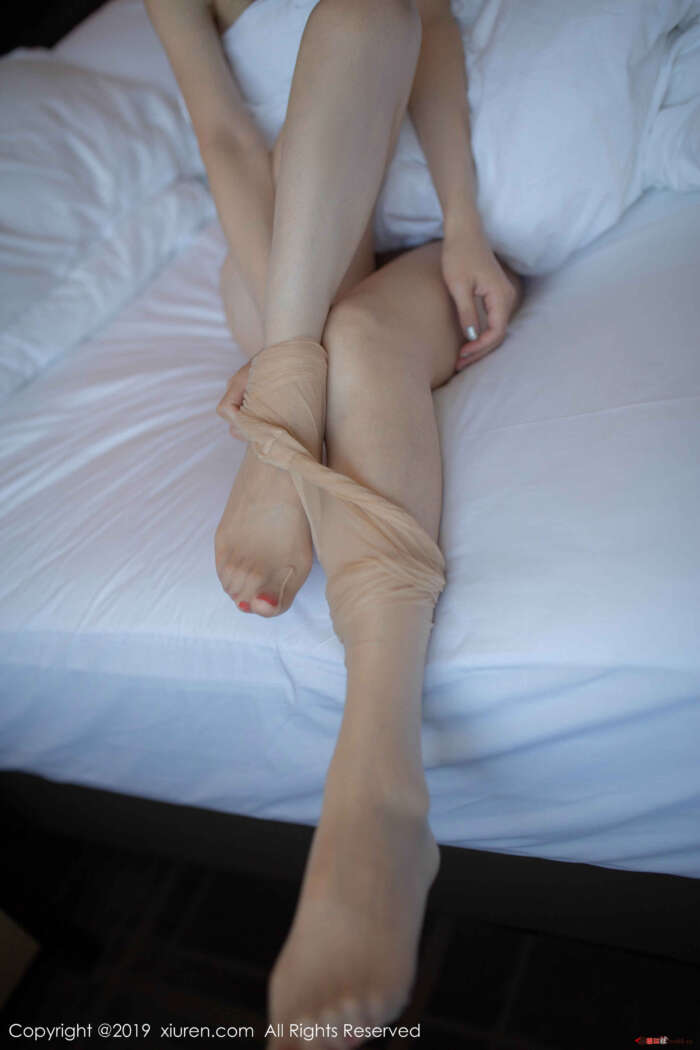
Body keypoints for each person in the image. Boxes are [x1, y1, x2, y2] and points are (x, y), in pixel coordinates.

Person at [145, 1, 522, 1047]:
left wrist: (463, 220)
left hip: (408, 246)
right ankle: (381, 790)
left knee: (362, 15)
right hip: (285, 251)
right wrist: (287, 329)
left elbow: (422, 22)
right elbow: (225, 136)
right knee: (305, 311)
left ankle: (374, 784)